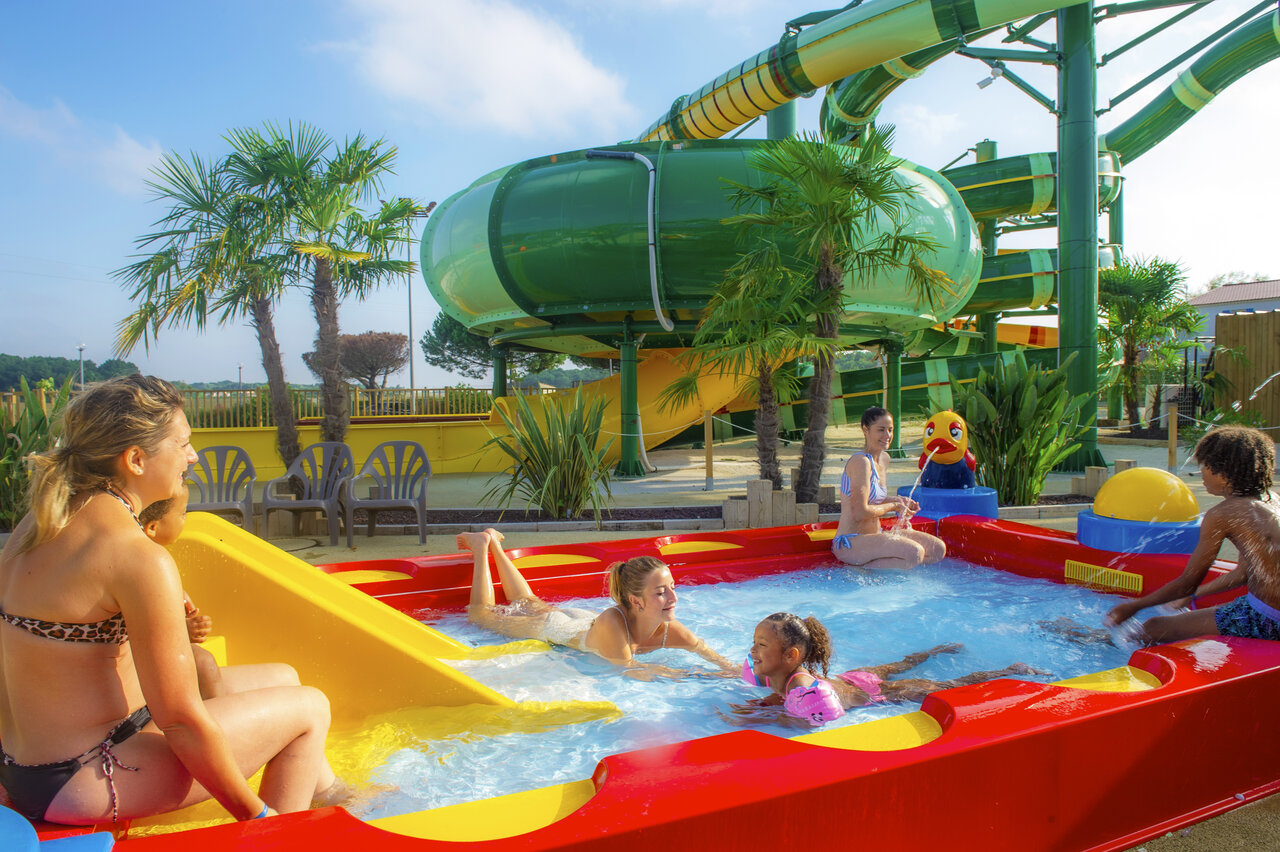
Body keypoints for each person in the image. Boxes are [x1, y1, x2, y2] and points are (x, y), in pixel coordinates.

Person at [0, 375, 343, 826]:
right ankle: (279, 834)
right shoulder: (136, 556)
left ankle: (337, 795)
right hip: (85, 774)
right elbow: (179, 721)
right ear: (136, 459)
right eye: (182, 444)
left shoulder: (40, 522)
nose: (192, 457)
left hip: (27, 766)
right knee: (309, 707)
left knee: (283, 677)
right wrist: (255, 812)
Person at [460, 529, 734, 679]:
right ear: (635, 601)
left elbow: (714, 657)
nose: (673, 599)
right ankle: (482, 547)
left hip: (580, 621)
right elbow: (630, 670)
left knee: (528, 602)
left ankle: (494, 543)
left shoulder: (670, 629)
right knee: (481, 616)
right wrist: (698, 676)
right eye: (661, 592)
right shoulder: (614, 623)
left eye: (673, 588)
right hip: (557, 629)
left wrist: (741, 676)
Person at [1105, 426, 1280, 644]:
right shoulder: (1272, 500)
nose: (1201, 473)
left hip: (1269, 619)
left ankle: (1095, 643)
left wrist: (1133, 606)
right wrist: (1194, 595)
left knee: (1153, 628)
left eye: (1204, 465)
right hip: (1267, 609)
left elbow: (1187, 581)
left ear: (1223, 473)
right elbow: (1244, 573)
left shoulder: (1225, 513)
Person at [728, 612, 1045, 728]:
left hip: (871, 692)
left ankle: (1007, 670)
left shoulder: (801, 685)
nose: (752, 651)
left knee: (949, 685)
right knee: (901, 663)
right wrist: (765, 703)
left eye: (762, 644)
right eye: (754, 642)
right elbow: (783, 700)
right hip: (851, 678)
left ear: (790, 655)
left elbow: (803, 723)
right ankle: (933, 652)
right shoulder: (778, 678)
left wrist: (759, 717)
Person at [138, 491, 302, 702]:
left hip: (168, 662)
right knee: (204, 663)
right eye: (182, 514)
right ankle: (217, 715)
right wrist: (183, 631)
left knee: (288, 676)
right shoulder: (147, 565)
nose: (185, 520)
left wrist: (186, 622)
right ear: (153, 527)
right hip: (158, 673)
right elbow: (145, 628)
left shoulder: (155, 560)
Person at [831, 407, 946, 570]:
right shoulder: (860, 462)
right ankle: (859, 571)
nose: (887, 435)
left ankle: (877, 568)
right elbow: (860, 512)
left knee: (937, 549)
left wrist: (899, 501)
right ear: (866, 430)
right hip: (851, 542)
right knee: (914, 554)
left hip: (875, 535)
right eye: (881, 430)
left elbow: (874, 498)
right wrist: (893, 506)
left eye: (890, 430)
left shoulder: (884, 459)